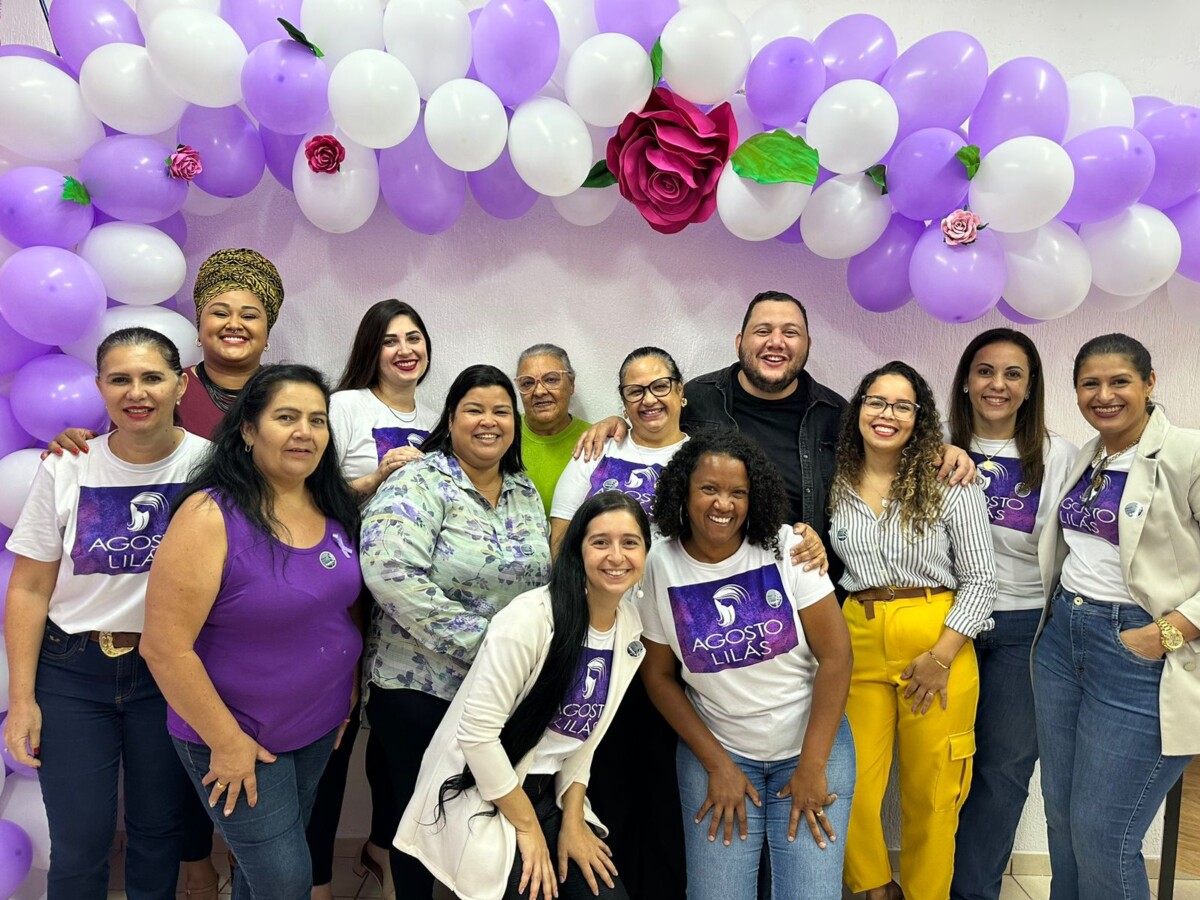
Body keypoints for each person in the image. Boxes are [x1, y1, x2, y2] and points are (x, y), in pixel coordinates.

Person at [140, 364, 363, 900]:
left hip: (318, 724)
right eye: (286, 417)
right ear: (247, 429)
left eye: (317, 420)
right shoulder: (209, 516)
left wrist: (348, 689)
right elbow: (164, 648)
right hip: (235, 734)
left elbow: (340, 610)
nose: (304, 432)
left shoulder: (330, 505)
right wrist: (226, 742)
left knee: (260, 872)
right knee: (285, 882)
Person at [3, 327, 211, 899]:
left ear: (180, 385)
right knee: (78, 841)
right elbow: (28, 589)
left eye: (152, 378)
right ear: (100, 387)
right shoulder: (67, 465)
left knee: (159, 832)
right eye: (120, 379)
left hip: (170, 673)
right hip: (72, 671)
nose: (136, 392)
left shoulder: (214, 466)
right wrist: (22, 701)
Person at [574, 292, 974, 579]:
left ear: (807, 345)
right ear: (740, 342)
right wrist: (616, 423)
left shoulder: (836, 414)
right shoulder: (698, 398)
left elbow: (889, 439)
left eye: (790, 332)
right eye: (762, 330)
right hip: (706, 574)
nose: (776, 342)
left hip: (803, 576)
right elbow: (654, 419)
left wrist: (941, 449)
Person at [397, 491, 651, 900]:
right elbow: (477, 736)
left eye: (630, 542)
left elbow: (584, 740)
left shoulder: (628, 629)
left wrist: (573, 821)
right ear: (578, 551)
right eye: (601, 542)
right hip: (488, 788)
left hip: (552, 795)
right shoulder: (530, 619)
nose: (616, 556)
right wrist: (528, 828)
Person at [359, 364, 552, 900]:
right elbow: (390, 574)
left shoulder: (523, 489)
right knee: (419, 820)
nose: (489, 421)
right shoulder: (418, 480)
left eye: (500, 411)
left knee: (477, 815)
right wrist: (493, 648)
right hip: (419, 689)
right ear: (450, 419)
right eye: (474, 410)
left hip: (497, 692)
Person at [638, 428, 854, 900]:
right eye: (709, 489)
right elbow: (658, 676)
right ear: (683, 491)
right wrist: (717, 764)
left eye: (738, 492)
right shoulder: (659, 564)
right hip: (718, 748)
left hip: (811, 744)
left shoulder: (787, 547)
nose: (724, 504)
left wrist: (813, 765)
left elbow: (837, 657)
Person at [1033, 333, 1200, 900]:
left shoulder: (1186, 454)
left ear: (1149, 383)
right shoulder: (1090, 454)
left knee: (1105, 835)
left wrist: (1165, 633)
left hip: (1137, 652)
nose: (1104, 395)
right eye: (1090, 384)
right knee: (1062, 818)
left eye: (1119, 381)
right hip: (1063, 643)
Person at [828, 361, 995, 900]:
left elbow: (981, 580)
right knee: (847, 783)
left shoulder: (950, 480)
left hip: (937, 638)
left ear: (919, 417)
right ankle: (876, 888)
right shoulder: (835, 478)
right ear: (859, 409)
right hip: (857, 637)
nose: (887, 414)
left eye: (903, 406)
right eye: (876, 401)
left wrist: (941, 657)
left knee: (933, 794)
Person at [948, 330, 1076, 900]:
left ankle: (972, 893)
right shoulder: (934, 445)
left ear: (1030, 387)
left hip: (1024, 628)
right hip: (947, 624)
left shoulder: (1061, 456)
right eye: (985, 371)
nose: (997, 384)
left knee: (1003, 772)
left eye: (1013, 373)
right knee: (937, 767)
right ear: (966, 381)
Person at [314, 299, 436, 900]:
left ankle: (383, 850)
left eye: (414, 338)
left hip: (406, 603)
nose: (405, 350)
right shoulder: (344, 407)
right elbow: (311, 494)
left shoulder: (439, 419)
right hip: (343, 592)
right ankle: (317, 877)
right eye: (390, 340)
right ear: (371, 349)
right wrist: (378, 477)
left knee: (394, 735)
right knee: (333, 735)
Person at [551, 346, 688, 552]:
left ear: (680, 390)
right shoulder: (596, 449)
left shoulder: (700, 458)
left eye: (660, 387)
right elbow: (560, 540)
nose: (649, 400)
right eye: (635, 391)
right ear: (624, 402)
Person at [516, 343, 592, 515]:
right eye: (527, 383)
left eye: (551, 379)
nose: (539, 391)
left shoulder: (594, 440)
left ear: (571, 384)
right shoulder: (504, 435)